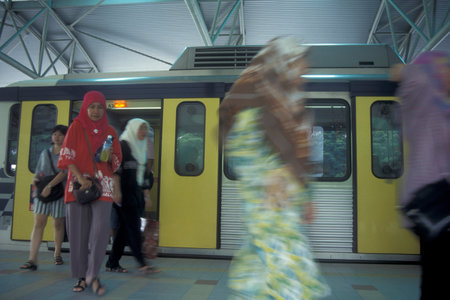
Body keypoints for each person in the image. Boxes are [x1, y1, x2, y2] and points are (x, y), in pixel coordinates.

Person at [219, 37, 329, 299]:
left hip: (285, 204)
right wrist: (267, 175)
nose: (304, 70)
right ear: (283, 64)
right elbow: (240, 149)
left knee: (262, 269)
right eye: (300, 63)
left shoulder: (294, 107)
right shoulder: (255, 101)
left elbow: (300, 156)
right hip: (268, 205)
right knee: (285, 269)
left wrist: (307, 194)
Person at [391, 51, 450, 300]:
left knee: (437, 275)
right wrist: (412, 68)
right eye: (444, 66)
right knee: (437, 276)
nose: (448, 71)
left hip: (441, 201)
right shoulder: (423, 108)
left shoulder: (442, 108)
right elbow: (412, 79)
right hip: (433, 202)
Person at [58, 90, 122, 296]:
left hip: (102, 185)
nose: (95, 111)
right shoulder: (76, 127)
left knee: (100, 233)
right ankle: (81, 275)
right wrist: (81, 178)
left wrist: (111, 155)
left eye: (99, 107)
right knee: (78, 233)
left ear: (105, 109)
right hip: (78, 185)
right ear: (85, 107)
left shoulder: (110, 131)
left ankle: (93, 275)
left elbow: (116, 162)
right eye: (92, 106)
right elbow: (67, 155)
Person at [105, 118, 158, 274]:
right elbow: (115, 170)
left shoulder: (139, 148)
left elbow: (141, 174)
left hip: (134, 193)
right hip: (123, 193)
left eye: (145, 129)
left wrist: (146, 194)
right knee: (134, 227)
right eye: (141, 129)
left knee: (122, 230)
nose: (144, 132)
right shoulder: (123, 145)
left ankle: (112, 263)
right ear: (133, 129)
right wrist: (116, 191)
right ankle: (142, 263)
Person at [20, 125, 68, 271]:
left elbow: (64, 173)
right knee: (38, 224)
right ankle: (32, 259)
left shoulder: (67, 153)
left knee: (58, 224)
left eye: (60, 135)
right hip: (43, 193)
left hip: (58, 193)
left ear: (66, 137)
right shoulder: (44, 153)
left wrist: (49, 186)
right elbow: (38, 171)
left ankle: (57, 253)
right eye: (54, 134)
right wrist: (35, 180)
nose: (57, 137)